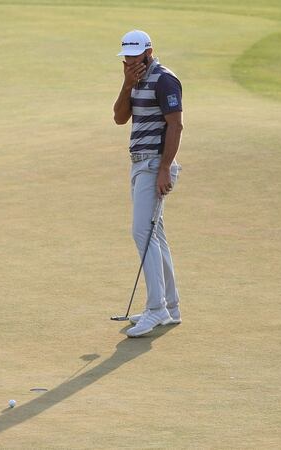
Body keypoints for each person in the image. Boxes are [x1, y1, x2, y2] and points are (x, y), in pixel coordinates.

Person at [112, 30, 184, 338]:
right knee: (156, 235)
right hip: (139, 163)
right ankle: (171, 306)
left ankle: (156, 309)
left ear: (149, 52)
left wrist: (165, 168)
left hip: (155, 165)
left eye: (135, 56)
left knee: (142, 232)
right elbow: (119, 118)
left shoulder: (165, 80)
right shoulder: (135, 80)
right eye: (126, 57)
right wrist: (127, 83)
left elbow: (176, 125)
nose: (130, 61)